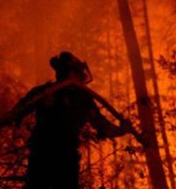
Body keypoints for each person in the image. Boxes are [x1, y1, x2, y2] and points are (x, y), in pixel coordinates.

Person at [12, 52, 133, 189]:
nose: (81, 77)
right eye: (78, 73)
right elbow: (17, 113)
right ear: (71, 71)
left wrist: (122, 129)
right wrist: (122, 130)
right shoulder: (58, 94)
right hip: (53, 156)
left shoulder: (78, 96)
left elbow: (102, 126)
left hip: (52, 156)